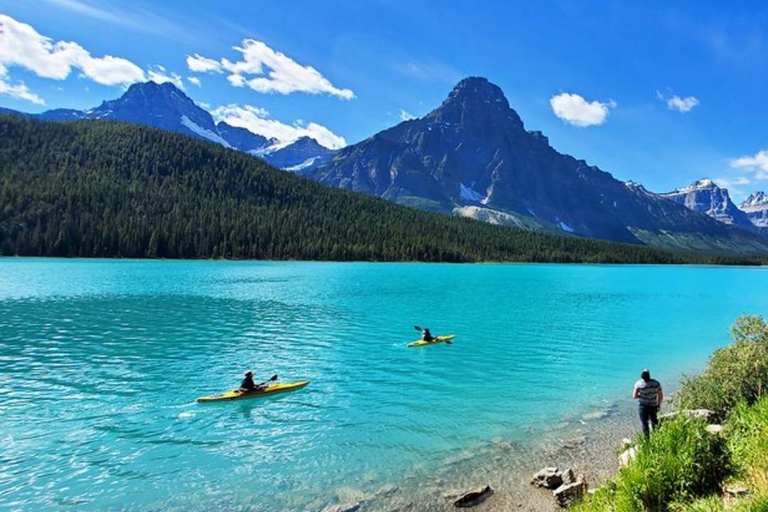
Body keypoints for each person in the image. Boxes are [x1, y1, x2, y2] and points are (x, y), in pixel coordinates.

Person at [633, 369, 663, 436]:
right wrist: (659, 404)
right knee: (654, 422)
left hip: (643, 406)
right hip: (653, 405)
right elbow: (660, 395)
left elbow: (634, 396)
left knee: (644, 423)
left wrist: (641, 395)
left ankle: (647, 440)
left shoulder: (638, 384)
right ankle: (657, 437)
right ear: (649, 375)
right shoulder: (656, 383)